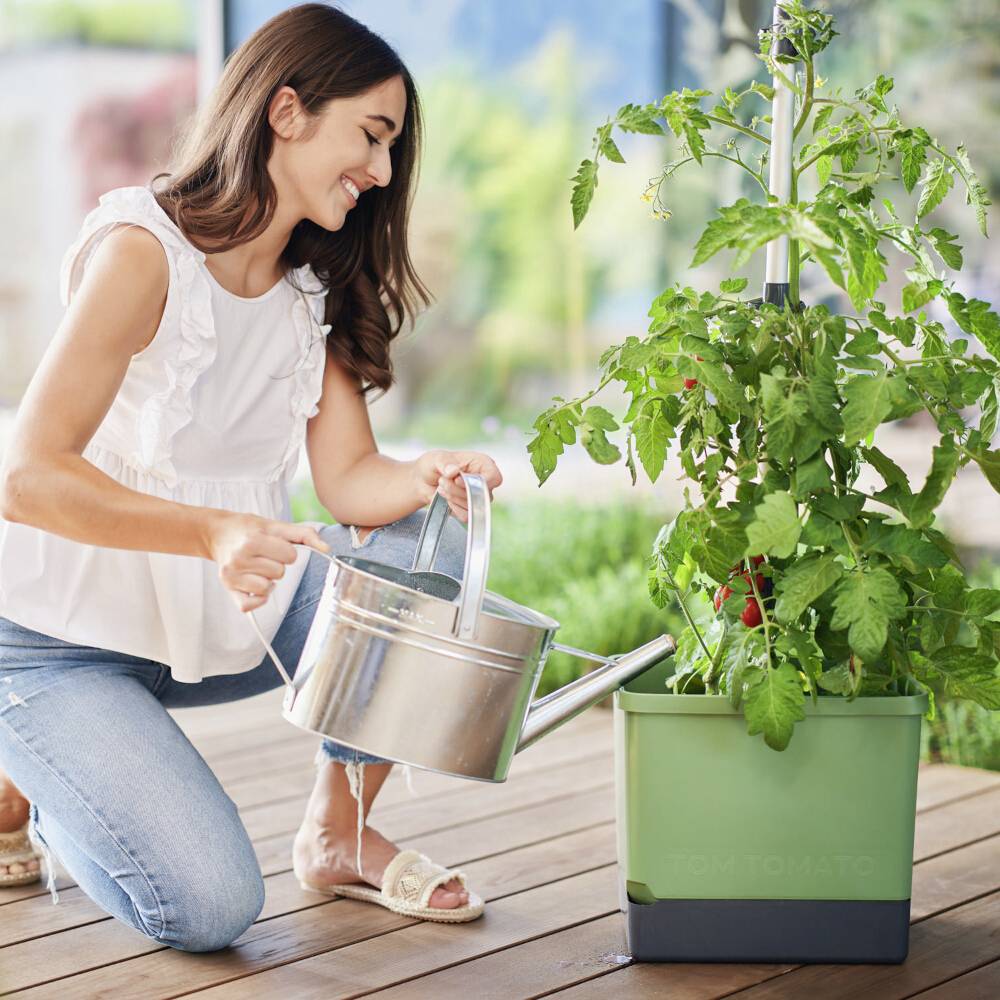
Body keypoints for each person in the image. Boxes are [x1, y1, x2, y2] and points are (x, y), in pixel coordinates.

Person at [0, 3, 503, 950]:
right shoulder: (143, 252)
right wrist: (212, 533)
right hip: (51, 642)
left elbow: (352, 480)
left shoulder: (316, 285)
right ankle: (35, 761)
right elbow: (27, 478)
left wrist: (427, 474)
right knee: (212, 909)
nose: (384, 171)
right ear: (285, 112)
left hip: (217, 628)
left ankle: (338, 833)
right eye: (372, 134)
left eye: (393, 149)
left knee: (422, 555)